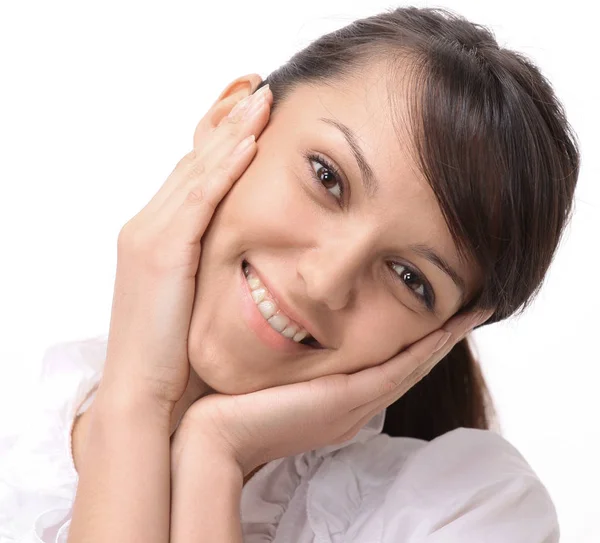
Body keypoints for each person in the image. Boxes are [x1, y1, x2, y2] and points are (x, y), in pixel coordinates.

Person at [0, 5, 579, 542]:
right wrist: (136, 400)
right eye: (328, 178)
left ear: (441, 336)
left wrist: (212, 455)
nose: (325, 280)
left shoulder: (467, 514)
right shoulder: (18, 442)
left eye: (410, 278)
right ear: (234, 121)